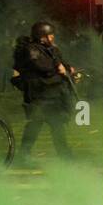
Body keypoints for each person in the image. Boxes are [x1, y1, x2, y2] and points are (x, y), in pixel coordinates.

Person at [13, 20, 76, 164]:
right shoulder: (32, 50)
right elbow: (43, 67)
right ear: (42, 36)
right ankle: (24, 155)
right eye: (49, 35)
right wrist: (58, 68)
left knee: (56, 125)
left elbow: (59, 62)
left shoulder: (49, 48)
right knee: (36, 125)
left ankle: (64, 155)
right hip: (38, 95)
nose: (52, 37)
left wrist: (67, 69)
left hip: (51, 95)